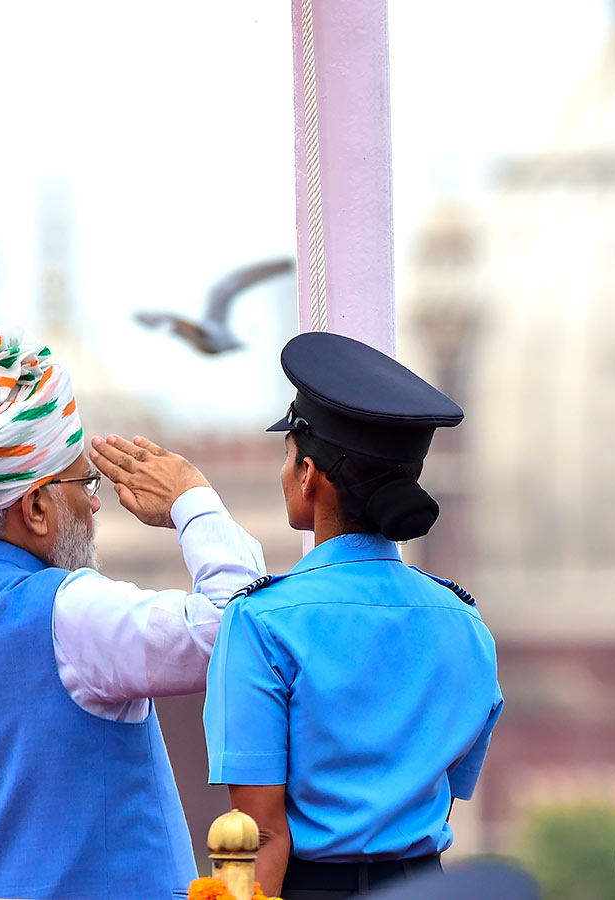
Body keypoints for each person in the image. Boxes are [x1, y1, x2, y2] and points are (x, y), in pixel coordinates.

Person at [0, 324, 265, 900]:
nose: (94, 503)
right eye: (83, 483)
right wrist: (193, 501)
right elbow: (236, 633)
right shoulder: (68, 613)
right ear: (36, 508)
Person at [198, 332, 503, 900]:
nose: (285, 472)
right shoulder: (466, 624)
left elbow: (261, 835)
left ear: (310, 473)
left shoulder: (263, 621)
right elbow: (445, 787)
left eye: (289, 456)